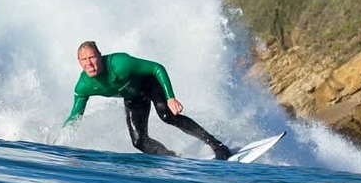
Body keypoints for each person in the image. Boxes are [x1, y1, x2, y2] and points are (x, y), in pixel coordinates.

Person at [63, 41, 233, 160]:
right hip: (133, 97)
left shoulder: (120, 63)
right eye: (84, 60)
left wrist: (170, 97)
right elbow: (74, 116)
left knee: (167, 116)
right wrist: (62, 141)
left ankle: (218, 146)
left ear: (100, 56)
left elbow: (157, 68)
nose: (89, 63)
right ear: (79, 62)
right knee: (139, 141)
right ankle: (170, 158)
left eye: (92, 57)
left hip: (149, 83)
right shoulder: (83, 86)